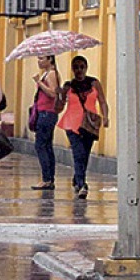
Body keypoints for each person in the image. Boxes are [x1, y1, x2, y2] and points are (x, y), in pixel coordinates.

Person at [58, 56, 109, 198]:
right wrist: (60, 95)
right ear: (72, 69)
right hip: (72, 123)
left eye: (82, 67)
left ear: (86, 68)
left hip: (89, 124)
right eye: (76, 67)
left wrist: (105, 117)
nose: (79, 70)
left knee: (85, 154)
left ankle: (77, 177)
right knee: (78, 153)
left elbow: (102, 101)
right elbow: (59, 108)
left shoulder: (94, 83)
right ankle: (82, 184)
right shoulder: (68, 86)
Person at [30, 55, 61, 190]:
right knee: (46, 146)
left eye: (42, 58)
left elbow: (53, 93)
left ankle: (46, 178)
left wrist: (39, 82)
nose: (39, 61)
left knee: (41, 145)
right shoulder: (48, 73)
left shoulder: (51, 74)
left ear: (50, 60)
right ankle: (48, 178)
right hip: (45, 112)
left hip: (47, 113)